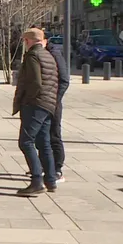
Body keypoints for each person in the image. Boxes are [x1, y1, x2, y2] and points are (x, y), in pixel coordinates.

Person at [13, 28, 59, 197]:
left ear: (29, 41)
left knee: (25, 142)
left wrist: (27, 102)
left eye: (25, 41)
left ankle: (37, 181)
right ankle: (51, 180)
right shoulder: (48, 55)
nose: (24, 44)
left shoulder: (33, 56)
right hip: (48, 104)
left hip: (35, 104)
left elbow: (35, 83)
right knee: (44, 142)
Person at [43, 31, 70, 183]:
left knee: (54, 134)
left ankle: (58, 169)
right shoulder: (38, 54)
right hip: (41, 102)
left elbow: (65, 80)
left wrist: (55, 98)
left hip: (53, 102)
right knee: (41, 136)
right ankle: (45, 166)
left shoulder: (54, 54)